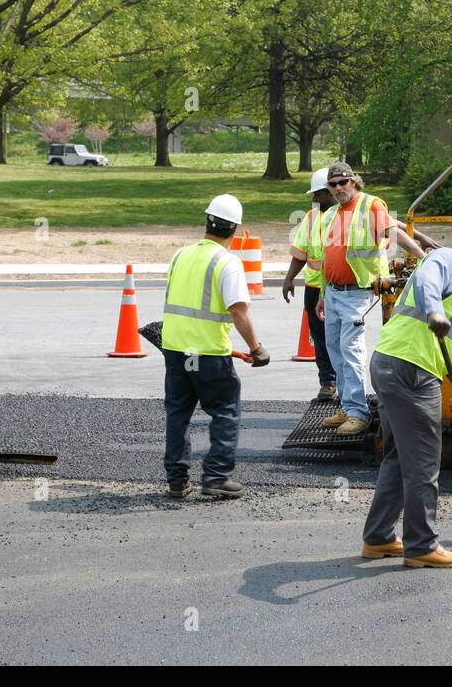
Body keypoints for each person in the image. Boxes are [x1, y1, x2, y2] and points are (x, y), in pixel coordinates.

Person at [360, 218, 452, 568]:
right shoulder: (448, 261)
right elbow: (426, 280)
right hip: (411, 369)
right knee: (423, 460)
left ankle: (378, 538)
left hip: (393, 364)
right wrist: (435, 312)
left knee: (398, 457)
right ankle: (421, 545)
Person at [315, 162, 438, 436]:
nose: (337, 189)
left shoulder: (370, 206)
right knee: (336, 352)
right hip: (334, 292)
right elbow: (327, 256)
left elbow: (393, 232)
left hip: (356, 291)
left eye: (342, 182)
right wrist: (323, 293)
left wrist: (421, 255)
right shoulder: (331, 214)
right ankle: (348, 407)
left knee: (351, 351)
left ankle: (358, 413)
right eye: (332, 185)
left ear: (354, 182)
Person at [161, 194, 270, 501]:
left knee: (178, 413)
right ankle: (216, 476)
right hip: (208, 352)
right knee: (225, 410)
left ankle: (176, 480)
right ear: (235, 230)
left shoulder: (180, 255)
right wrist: (257, 348)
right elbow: (238, 311)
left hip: (175, 349)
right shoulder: (227, 262)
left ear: (206, 222)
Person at [282, 167, 336, 400]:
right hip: (314, 289)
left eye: (318, 194)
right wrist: (289, 278)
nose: (314, 199)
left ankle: (345, 386)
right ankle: (328, 384)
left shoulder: (347, 216)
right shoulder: (312, 216)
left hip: (339, 288)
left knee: (341, 340)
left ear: (331, 191)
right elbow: (301, 252)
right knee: (320, 338)